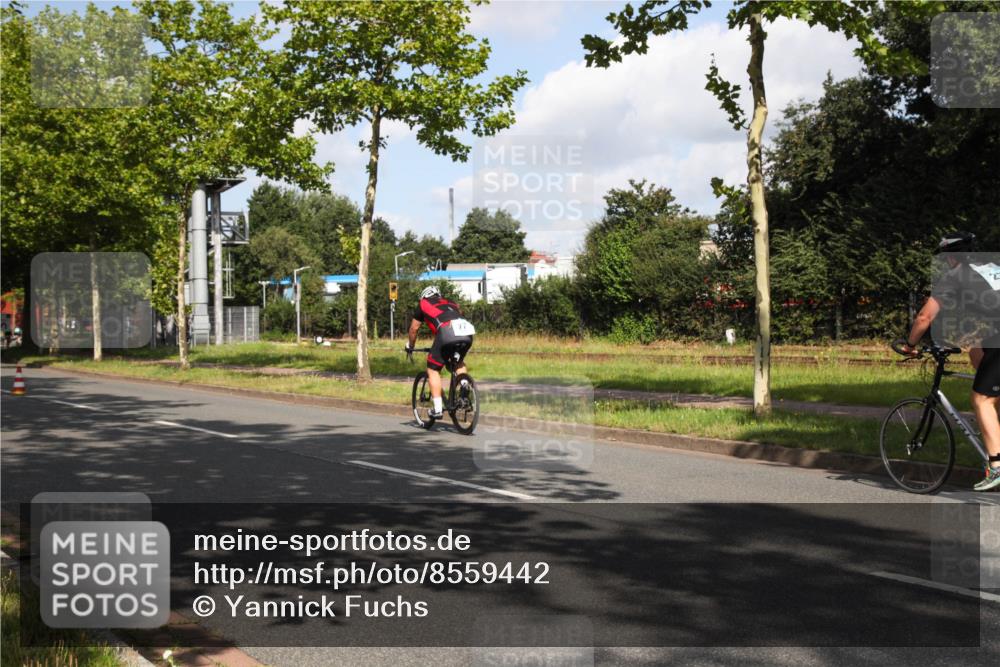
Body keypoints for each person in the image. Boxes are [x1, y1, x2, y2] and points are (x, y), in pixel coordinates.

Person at [901, 231, 1000, 491]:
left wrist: (910, 345)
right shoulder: (991, 266)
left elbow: (925, 317)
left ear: (949, 258)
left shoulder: (955, 276)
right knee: (976, 351)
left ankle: (997, 465)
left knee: (982, 399)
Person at [405, 285, 474, 418]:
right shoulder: (451, 302)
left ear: (424, 296)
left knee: (433, 369)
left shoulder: (423, 303)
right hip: (467, 332)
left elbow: (414, 329)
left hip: (447, 332)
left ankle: (437, 409)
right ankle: (464, 388)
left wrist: (411, 346)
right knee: (458, 362)